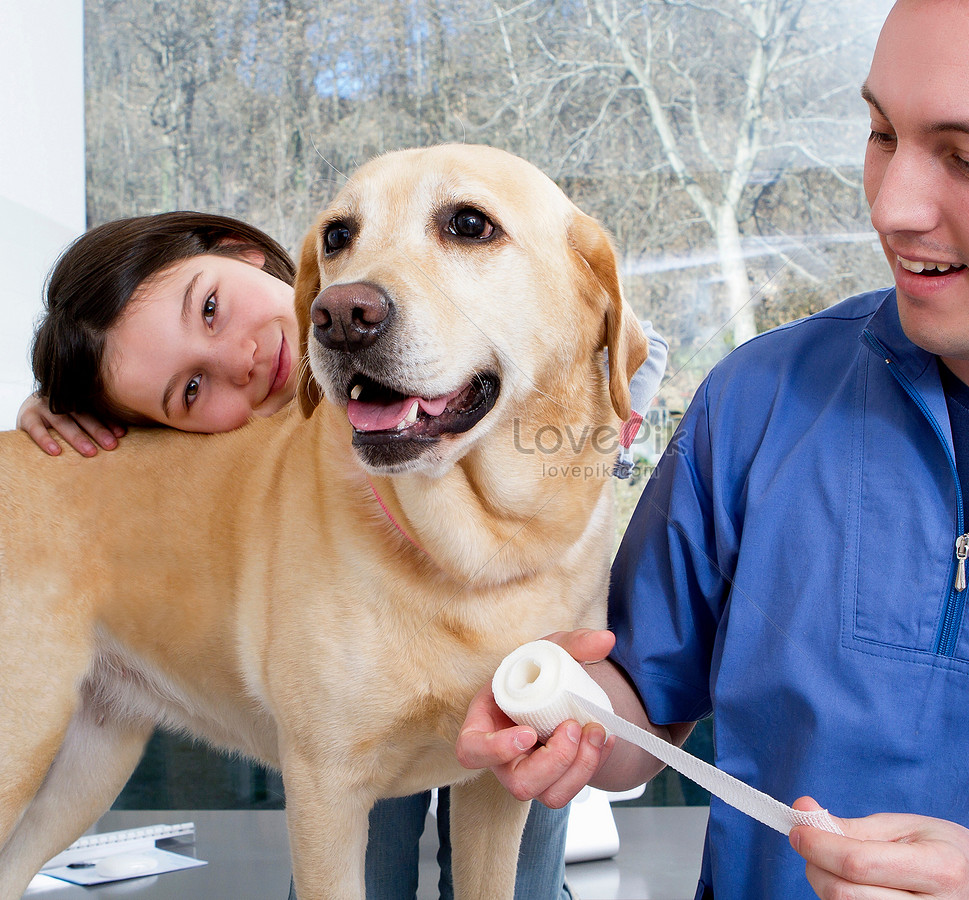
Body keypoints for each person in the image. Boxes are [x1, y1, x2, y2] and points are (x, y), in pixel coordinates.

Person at [456, 0, 969, 897]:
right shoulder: (759, 399)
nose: (891, 208)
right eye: (882, 133)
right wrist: (553, 717)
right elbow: (636, 724)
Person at [20, 209, 668, 899]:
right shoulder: (269, 433)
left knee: (525, 851)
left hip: (512, 620)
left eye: (210, 308)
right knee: (364, 847)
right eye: (190, 390)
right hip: (358, 628)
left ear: (250, 254)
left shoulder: (384, 282)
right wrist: (49, 409)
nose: (236, 360)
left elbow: (624, 353)